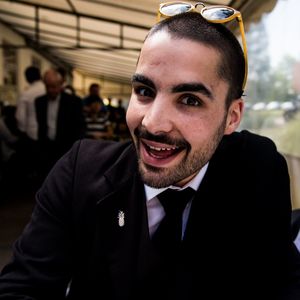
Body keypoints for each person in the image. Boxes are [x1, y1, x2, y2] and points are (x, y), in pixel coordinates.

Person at [0, 3, 300, 299]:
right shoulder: (80, 173)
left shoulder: (257, 168)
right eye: (144, 92)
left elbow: (277, 282)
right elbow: (23, 287)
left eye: (190, 100)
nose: (153, 123)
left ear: (232, 117)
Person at [35, 68, 86, 181]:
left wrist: (76, 149)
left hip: (66, 148)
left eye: (53, 86)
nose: (50, 90)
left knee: (64, 180)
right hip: (46, 148)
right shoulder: (39, 102)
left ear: (61, 84)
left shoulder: (74, 102)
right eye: (47, 86)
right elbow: (41, 126)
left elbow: (80, 127)